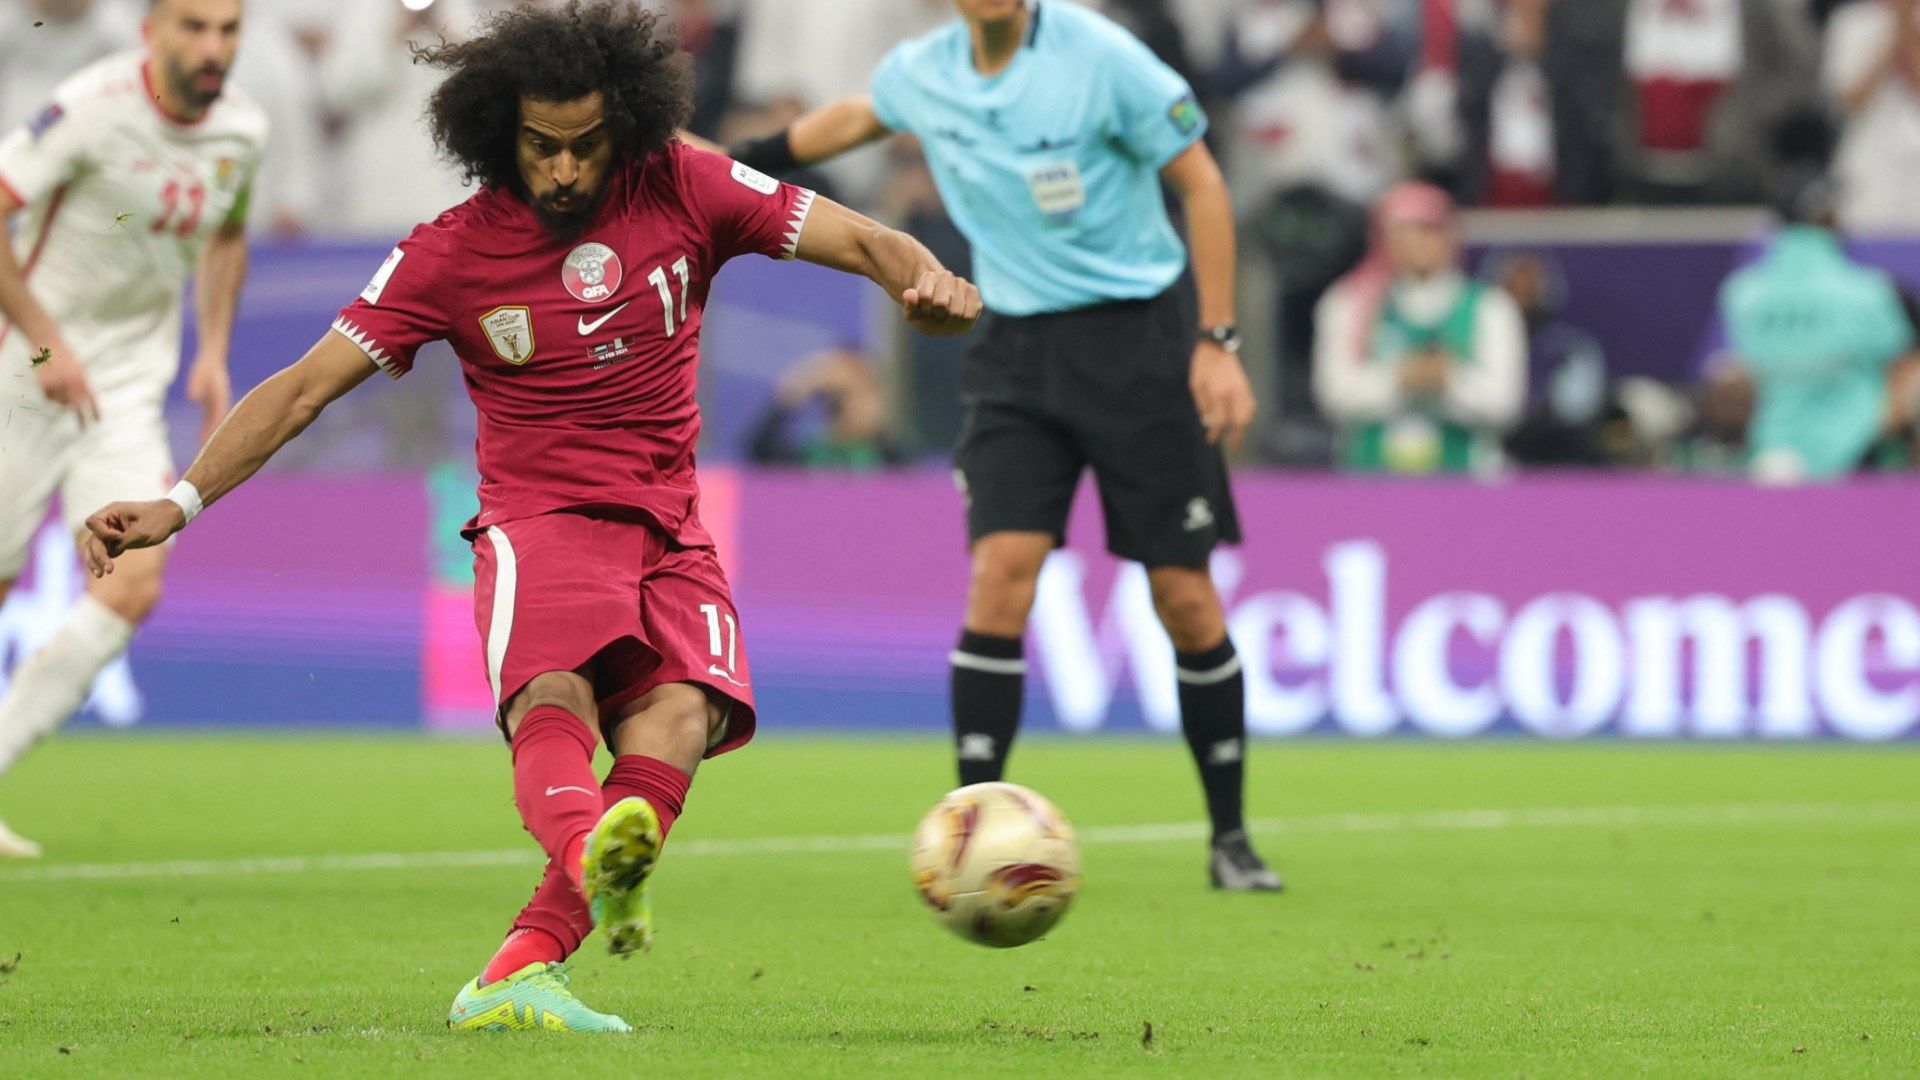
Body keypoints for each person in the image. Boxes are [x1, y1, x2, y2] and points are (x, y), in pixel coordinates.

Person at [79, 0, 980, 1033]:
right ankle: (591, 852)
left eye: (585, 146)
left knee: (684, 717)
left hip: (671, 521)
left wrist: (922, 276)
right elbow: (301, 390)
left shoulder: (686, 186)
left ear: (627, 126)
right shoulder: (450, 253)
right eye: (540, 147)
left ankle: (521, 966)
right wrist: (179, 502)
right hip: (539, 519)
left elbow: (862, 237)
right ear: (495, 130)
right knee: (554, 694)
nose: (561, 171)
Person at [728, 0, 1279, 891]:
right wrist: (743, 164)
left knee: (1183, 596)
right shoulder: (927, 69)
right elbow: (854, 117)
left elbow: (1204, 185)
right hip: (1016, 351)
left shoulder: (1104, 57)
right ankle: (970, 837)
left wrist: (1217, 344)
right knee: (1000, 576)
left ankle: (1230, 839)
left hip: (1136, 345)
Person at [0, 0, 265, 859]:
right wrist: (44, 341)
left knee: (134, 580)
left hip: (124, 389)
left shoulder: (243, 132)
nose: (212, 46)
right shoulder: (89, 107)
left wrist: (214, 348)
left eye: (227, 29)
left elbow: (227, 235)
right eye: (194, 26)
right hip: (22, 368)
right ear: (151, 29)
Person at [1313, 182, 1526, 474]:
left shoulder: (1490, 307)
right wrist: (1400, 378)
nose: (1419, 242)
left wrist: (1448, 381)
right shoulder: (1350, 303)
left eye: (1431, 230)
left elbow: (1504, 403)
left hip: (1468, 481)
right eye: (1406, 230)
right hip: (1369, 481)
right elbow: (1334, 395)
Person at [1719, 175, 1914, 482]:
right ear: (1828, 216)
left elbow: (1740, 376)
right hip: (1859, 458)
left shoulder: (1741, 293)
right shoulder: (1870, 293)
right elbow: (1905, 367)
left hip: (1767, 455)